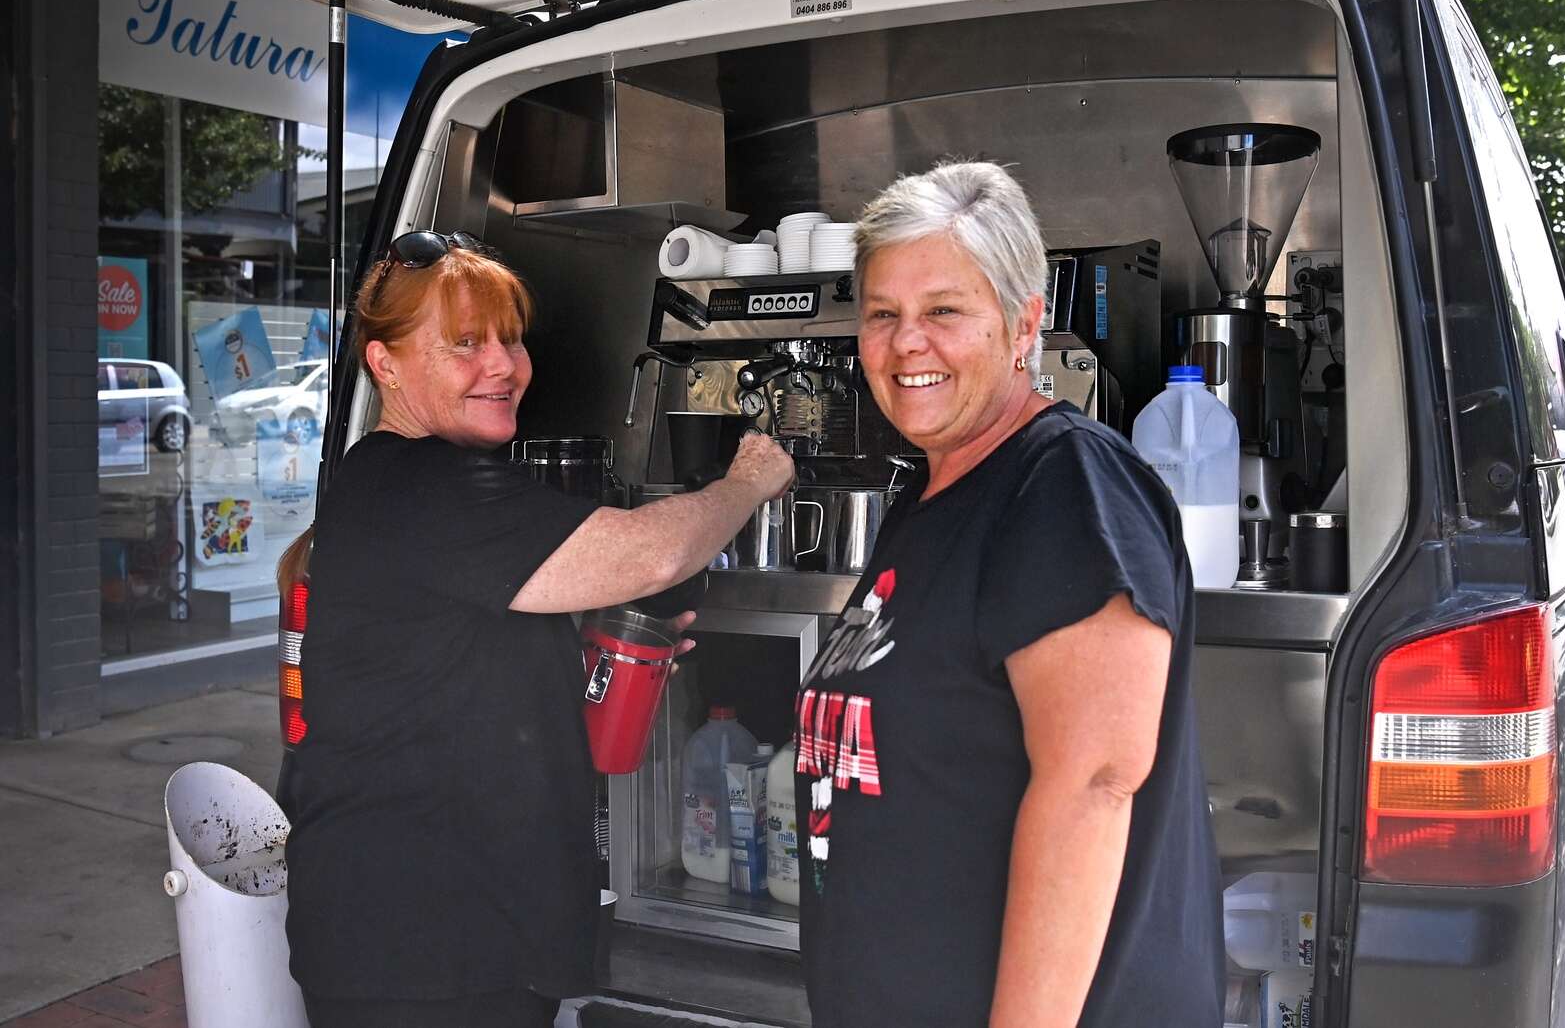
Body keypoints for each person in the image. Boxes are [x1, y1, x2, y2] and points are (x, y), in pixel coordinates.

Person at [277, 230, 794, 1028]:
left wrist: (576, 643)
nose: (503, 366)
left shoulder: (416, 483)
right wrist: (749, 481)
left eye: (511, 341)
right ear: (385, 364)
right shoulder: (420, 486)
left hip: (456, 933)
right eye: (465, 344)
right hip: (418, 949)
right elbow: (653, 554)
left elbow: (453, 652)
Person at [794, 164, 1224, 1026]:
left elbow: (1093, 783)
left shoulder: (1066, 484)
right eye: (883, 314)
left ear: (1024, 323)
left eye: (944, 311)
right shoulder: (934, 494)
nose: (907, 343)